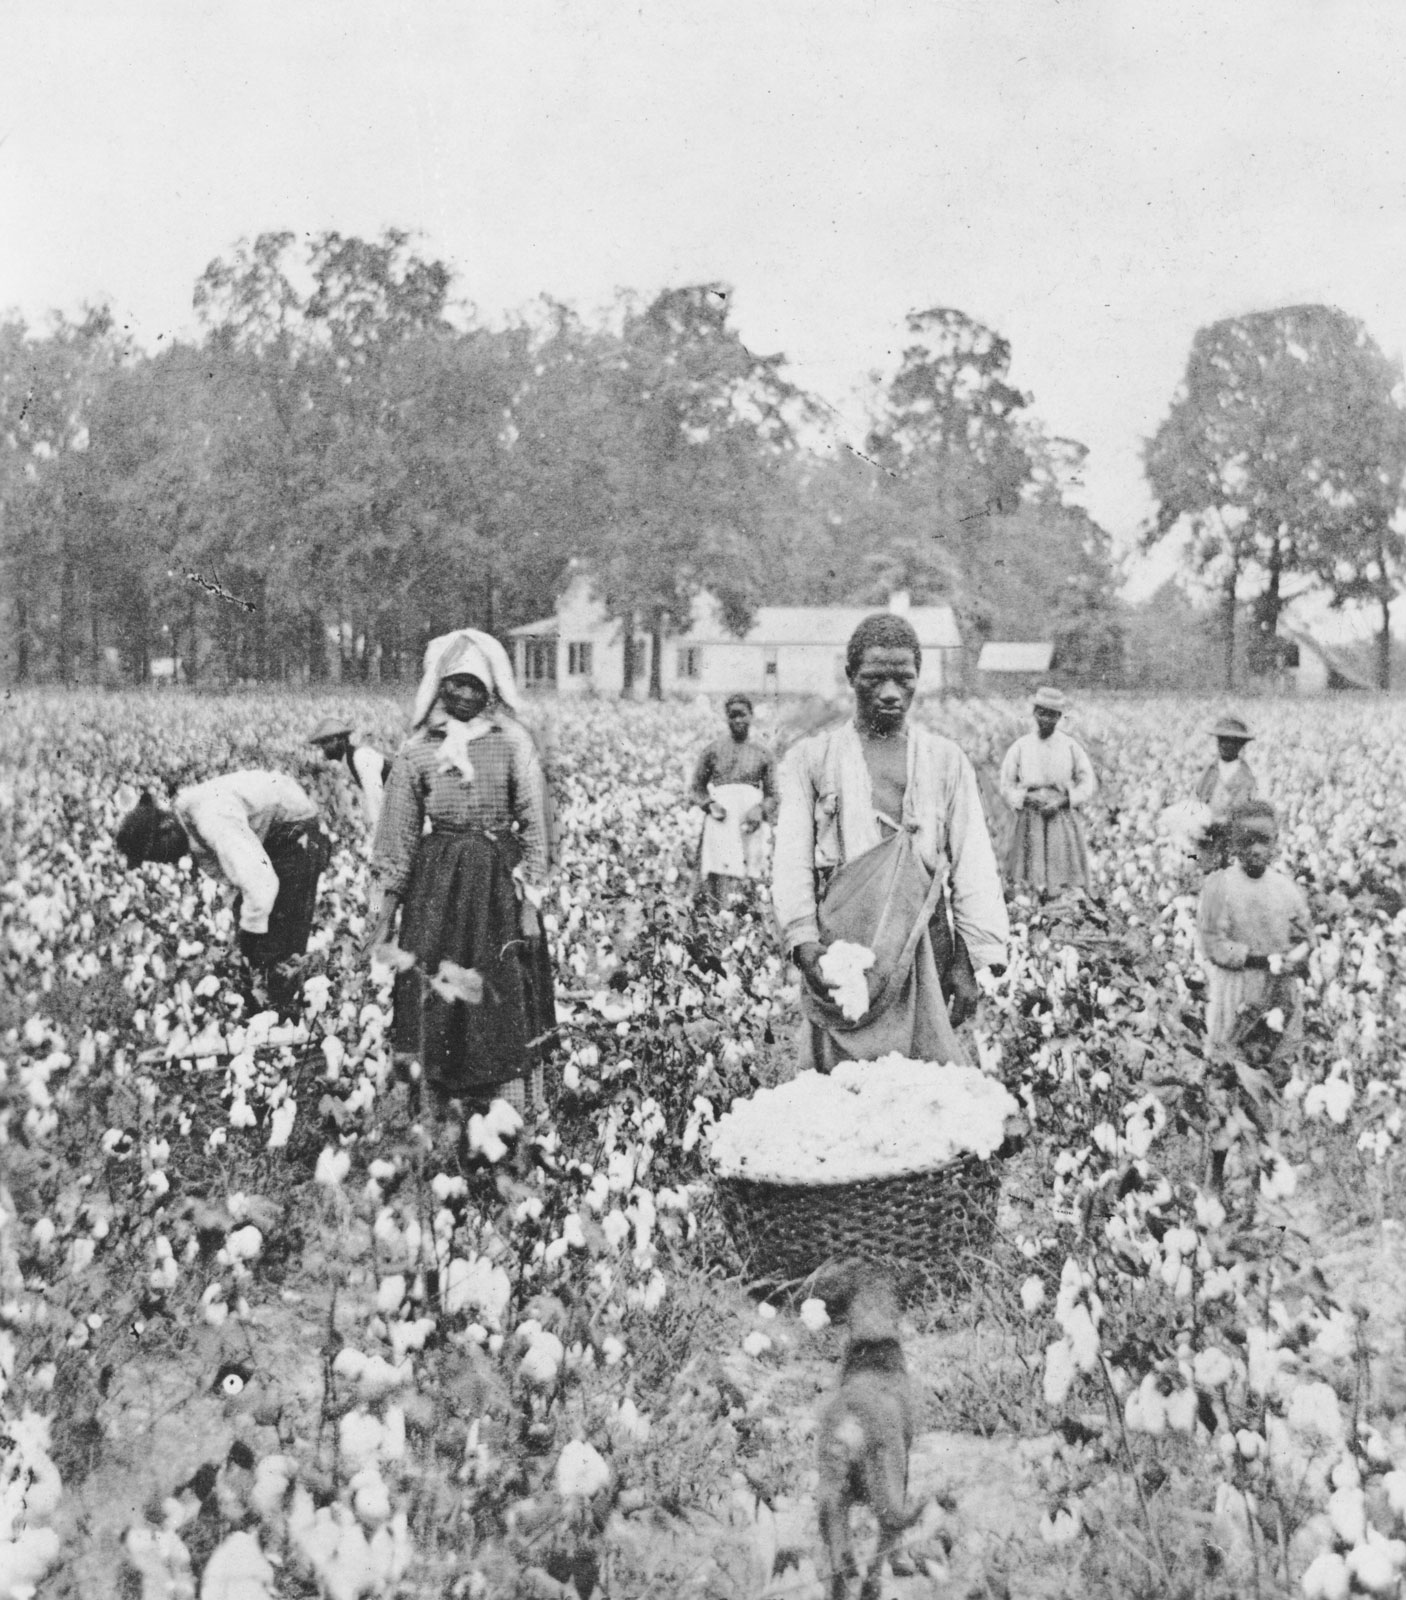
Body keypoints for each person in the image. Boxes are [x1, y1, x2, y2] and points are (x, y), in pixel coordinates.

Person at [772, 614, 1009, 1072]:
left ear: (918, 679)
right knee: (841, 1094)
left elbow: (973, 864)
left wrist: (967, 961)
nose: (889, 693)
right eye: (873, 679)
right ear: (850, 678)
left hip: (925, 947)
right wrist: (806, 948)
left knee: (925, 1090)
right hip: (841, 955)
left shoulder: (945, 762)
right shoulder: (812, 761)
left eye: (903, 680)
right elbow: (791, 864)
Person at [365, 629, 554, 1118]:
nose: (465, 695)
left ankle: (508, 1103)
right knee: (435, 986)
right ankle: (437, 1103)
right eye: (455, 685)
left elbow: (535, 822)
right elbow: (397, 835)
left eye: (475, 685)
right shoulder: (417, 750)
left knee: (501, 986)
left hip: (497, 880)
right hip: (438, 884)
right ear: (438, 687)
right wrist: (385, 915)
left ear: (490, 689)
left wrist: (531, 904)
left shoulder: (513, 742)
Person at [116, 772, 331, 1012]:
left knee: (278, 942)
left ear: (165, 830)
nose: (164, 862)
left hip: (294, 834)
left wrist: (250, 938)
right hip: (274, 836)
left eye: (156, 855)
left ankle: (283, 1014)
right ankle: (270, 1005)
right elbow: (237, 878)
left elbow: (260, 883)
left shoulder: (211, 819)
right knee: (259, 943)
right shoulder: (189, 820)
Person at [1196, 799, 1311, 1187]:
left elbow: (1304, 937)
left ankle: (1264, 1173)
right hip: (1237, 994)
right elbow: (1213, 944)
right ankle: (1214, 1178)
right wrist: (1260, 958)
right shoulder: (1218, 886)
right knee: (1226, 1079)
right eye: (1247, 841)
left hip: (1278, 995)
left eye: (1264, 841)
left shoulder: (1286, 888)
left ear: (1277, 842)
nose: (1256, 850)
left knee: (1270, 1076)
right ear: (1232, 843)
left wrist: (1296, 957)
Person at [998, 686, 1097, 897]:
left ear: (1059, 717)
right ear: (1034, 713)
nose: (1046, 719)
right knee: (1028, 876)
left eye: (1052, 714)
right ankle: (1032, 903)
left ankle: (1058, 901)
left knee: (1060, 874)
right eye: (1041, 712)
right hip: (1030, 815)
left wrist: (1063, 801)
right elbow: (1006, 784)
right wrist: (1025, 797)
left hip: (1059, 816)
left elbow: (1087, 783)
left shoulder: (1070, 746)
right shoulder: (1021, 746)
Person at [690, 693, 778, 906]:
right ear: (727, 718)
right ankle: (720, 914)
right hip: (722, 818)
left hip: (750, 819)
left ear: (751, 716)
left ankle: (748, 918)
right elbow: (697, 787)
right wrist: (709, 805)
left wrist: (760, 809)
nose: (738, 721)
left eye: (742, 715)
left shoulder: (762, 753)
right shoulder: (712, 750)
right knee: (719, 869)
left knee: (751, 869)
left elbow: (773, 794)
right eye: (733, 716)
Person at [1194, 714, 1258, 873]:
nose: (1226, 745)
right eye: (1222, 740)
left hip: (1232, 843)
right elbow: (1197, 801)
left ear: (1241, 745)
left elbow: (1246, 813)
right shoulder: (1209, 771)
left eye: (1232, 741)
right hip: (1207, 842)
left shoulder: (1247, 777)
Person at [308, 716, 391, 834]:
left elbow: (375, 798)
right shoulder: (349, 761)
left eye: (324, 743)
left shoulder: (361, 757)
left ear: (336, 740)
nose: (322, 749)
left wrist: (378, 836)